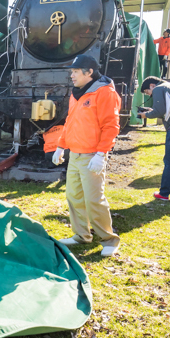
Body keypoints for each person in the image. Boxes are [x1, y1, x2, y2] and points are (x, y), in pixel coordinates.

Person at [51, 54, 121, 257]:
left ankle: (109, 240)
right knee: (74, 196)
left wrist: (101, 154)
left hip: (92, 155)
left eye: (75, 71)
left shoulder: (105, 93)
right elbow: (70, 122)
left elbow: (111, 126)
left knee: (93, 200)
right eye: (71, 71)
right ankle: (81, 235)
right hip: (75, 154)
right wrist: (60, 146)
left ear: (89, 72)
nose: (71, 75)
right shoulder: (77, 93)